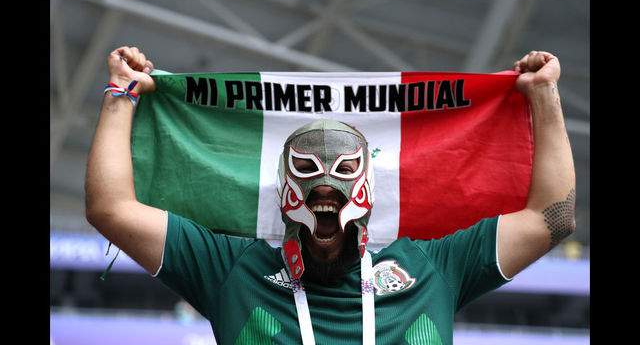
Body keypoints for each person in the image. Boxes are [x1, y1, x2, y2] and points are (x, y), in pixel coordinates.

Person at [85, 46, 575, 344]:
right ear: (284, 195)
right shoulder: (233, 269)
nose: (326, 189)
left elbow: (553, 220)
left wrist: (544, 95)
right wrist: (121, 93)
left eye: (342, 174)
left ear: (366, 192)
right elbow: (111, 209)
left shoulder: (433, 269)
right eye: (307, 175)